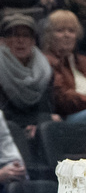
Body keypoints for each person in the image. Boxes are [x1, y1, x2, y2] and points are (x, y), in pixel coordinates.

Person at [42, 9, 86, 126]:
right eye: (60, 30)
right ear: (49, 35)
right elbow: (63, 98)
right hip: (69, 117)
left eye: (71, 31)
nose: (67, 35)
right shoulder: (46, 62)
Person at [0, 13, 57, 141]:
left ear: (33, 41)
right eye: (14, 35)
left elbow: (46, 106)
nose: (20, 40)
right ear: (2, 40)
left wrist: (39, 123)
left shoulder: (45, 70)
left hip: (36, 126)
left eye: (26, 35)